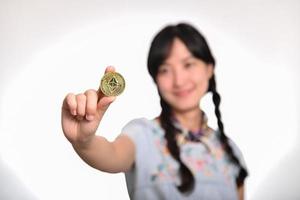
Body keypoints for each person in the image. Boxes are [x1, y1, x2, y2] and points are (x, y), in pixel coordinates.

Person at [61, 23, 248, 200]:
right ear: (156, 78)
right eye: (165, 70)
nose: (179, 80)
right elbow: (112, 154)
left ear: (209, 69)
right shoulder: (142, 135)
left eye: (188, 64)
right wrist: (84, 142)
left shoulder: (230, 151)